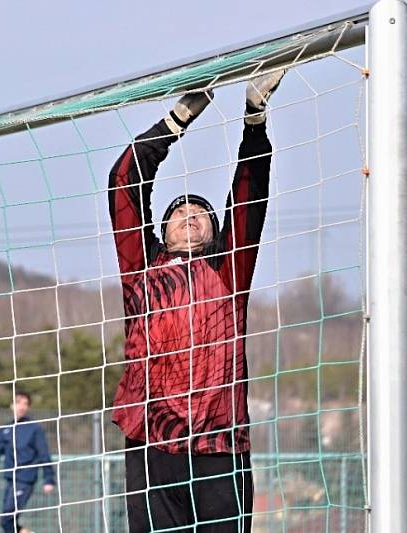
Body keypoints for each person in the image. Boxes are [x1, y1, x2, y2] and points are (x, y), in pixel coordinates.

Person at [108, 69, 285, 532]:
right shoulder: (143, 271)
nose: (190, 216)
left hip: (220, 443)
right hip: (152, 440)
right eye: (179, 213)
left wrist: (254, 118)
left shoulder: (228, 271)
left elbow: (250, 195)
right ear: (162, 232)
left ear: (216, 231)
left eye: (201, 213)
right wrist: (177, 121)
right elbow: (123, 181)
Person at [0, 392, 55, 533]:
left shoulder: (34, 429)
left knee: (7, 518)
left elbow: (44, 454)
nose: (22, 406)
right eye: (19, 402)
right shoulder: (6, 429)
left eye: (25, 403)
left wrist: (49, 479)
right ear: (12, 405)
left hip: (25, 480)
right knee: (7, 522)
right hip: (10, 480)